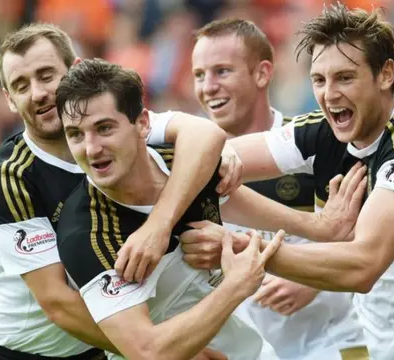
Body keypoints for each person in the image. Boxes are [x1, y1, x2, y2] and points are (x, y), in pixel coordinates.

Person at [181, 4, 394, 360]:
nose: (329, 94)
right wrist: (186, 146)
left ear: (386, 74)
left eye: (345, 77)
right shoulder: (322, 132)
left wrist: (241, 248)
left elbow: (363, 265)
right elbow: (205, 160)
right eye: (319, 80)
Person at [0, 22, 243, 359]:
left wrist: (160, 224)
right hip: (14, 351)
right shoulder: (7, 181)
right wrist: (166, 350)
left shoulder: (100, 123)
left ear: (75, 70)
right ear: (9, 99)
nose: (37, 93)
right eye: (21, 86)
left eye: (46, 75)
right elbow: (59, 304)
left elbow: (204, 136)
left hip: (97, 347)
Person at [54, 58, 283, 360]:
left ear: (143, 124)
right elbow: (148, 352)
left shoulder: (183, 163)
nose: (91, 148)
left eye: (105, 128)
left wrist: (317, 226)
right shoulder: (86, 234)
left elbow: (214, 151)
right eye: (76, 135)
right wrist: (237, 286)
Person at [190, 18, 369, 360]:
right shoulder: (191, 164)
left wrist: (312, 280)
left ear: (261, 73)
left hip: (329, 343)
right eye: (199, 75)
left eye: (222, 71)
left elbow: (367, 237)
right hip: (246, 352)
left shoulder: (317, 143)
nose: (208, 86)